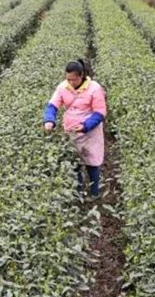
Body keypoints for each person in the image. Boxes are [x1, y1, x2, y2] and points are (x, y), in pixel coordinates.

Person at [43, 59, 107, 199]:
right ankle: (78, 193)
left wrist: (85, 126)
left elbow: (100, 112)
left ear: (81, 75)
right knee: (74, 162)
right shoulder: (62, 87)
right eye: (68, 79)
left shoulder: (94, 88)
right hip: (71, 129)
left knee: (92, 161)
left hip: (91, 131)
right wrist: (49, 120)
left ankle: (94, 192)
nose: (71, 83)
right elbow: (52, 106)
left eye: (74, 80)